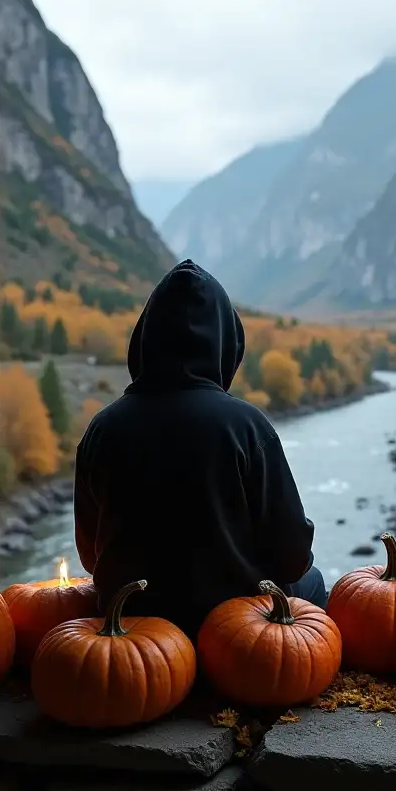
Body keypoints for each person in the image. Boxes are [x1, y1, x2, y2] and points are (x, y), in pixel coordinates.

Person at [73, 259, 325, 636]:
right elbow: (292, 560)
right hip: (237, 633)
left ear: (144, 339)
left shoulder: (103, 428)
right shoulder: (246, 426)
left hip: (129, 629)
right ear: (227, 344)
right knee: (316, 582)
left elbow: (91, 557)